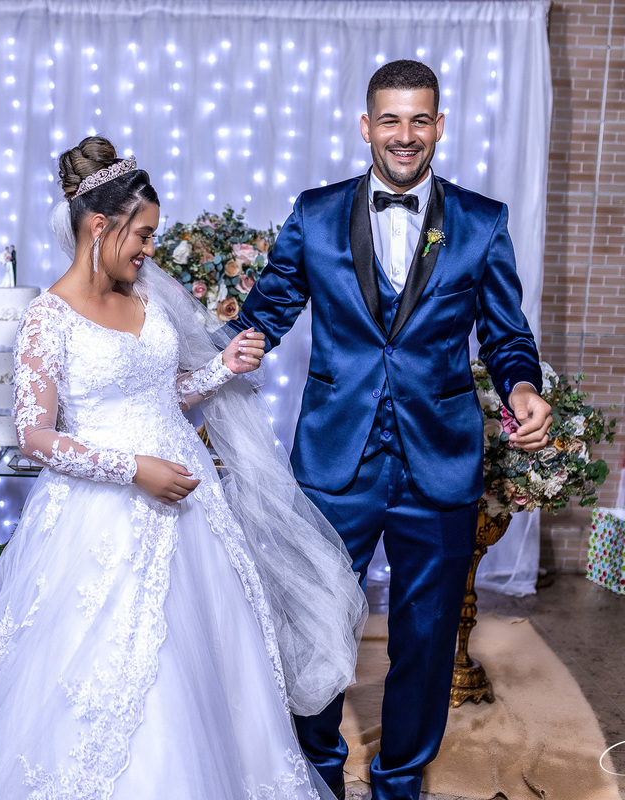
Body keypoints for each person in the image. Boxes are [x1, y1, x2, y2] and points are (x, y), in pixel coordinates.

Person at [0, 136, 368, 800]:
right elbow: (35, 437)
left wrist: (221, 368)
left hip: (191, 500)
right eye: (141, 234)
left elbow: (156, 396)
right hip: (103, 512)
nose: (148, 249)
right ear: (98, 226)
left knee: (209, 657)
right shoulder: (47, 318)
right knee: (122, 664)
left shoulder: (145, 295)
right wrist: (133, 469)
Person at [225, 60, 553, 800]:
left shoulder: (481, 221)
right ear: (366, 126)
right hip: (334, 458)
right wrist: (224, 354)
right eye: (390, 119)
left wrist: (522, 386)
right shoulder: (315, 213)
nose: (405, 134)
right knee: (313, 621)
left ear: (440, 126)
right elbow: (266, 311)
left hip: (440, 460)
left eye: (419, 119)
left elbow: (506, 334)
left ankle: (399, 779)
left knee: (427, 637)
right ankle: (314, 773)